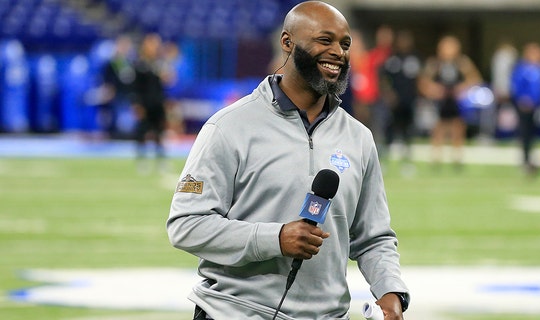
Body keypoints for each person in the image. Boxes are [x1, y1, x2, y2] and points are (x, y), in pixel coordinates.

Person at [167, 2, 409, 320]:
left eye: (345, 43)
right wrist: (275, 238)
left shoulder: (359, 138)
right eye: (325, 40)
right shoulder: (228, 126)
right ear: (287, 42)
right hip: (235, 313)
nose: (338, 52)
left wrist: (391, 292)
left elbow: (373, 236)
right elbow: (186, 225)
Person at [419, 35, 482, 169]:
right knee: (438, 128)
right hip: (440, 101)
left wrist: (462, 89)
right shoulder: (435, 63)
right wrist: (434, 90)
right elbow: (423, 81)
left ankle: (457, 157)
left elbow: (475, 79)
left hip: (456, 101)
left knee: (458, 127)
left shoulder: (462, 63)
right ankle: (436, 157)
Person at [380, 29, 421, 163]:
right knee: (390, 130)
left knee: (408, 131)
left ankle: (407, 160)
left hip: (409, 101)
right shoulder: (392, 59)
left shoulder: (414, 58)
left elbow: (420, 79)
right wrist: (388, 94)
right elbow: (384, 79)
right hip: (395, 103)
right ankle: (385, 159)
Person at [510, 42, 540, 175]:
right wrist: (523, 99)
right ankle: (525, 160)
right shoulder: (522, 68)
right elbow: (516, 86)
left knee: (534, 134)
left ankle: (532, 159)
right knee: (525, 133)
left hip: (537, 106)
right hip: (525, 106)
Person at [130, 33, 167, 173]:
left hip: (158, 103)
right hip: (145, 103)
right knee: (142, 131)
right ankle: (142, 160)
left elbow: (166, 83)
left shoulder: (159, 64)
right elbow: (135, 87)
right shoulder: (139, 65)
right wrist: (137, 104)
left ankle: (160, 159)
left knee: (159, 132)